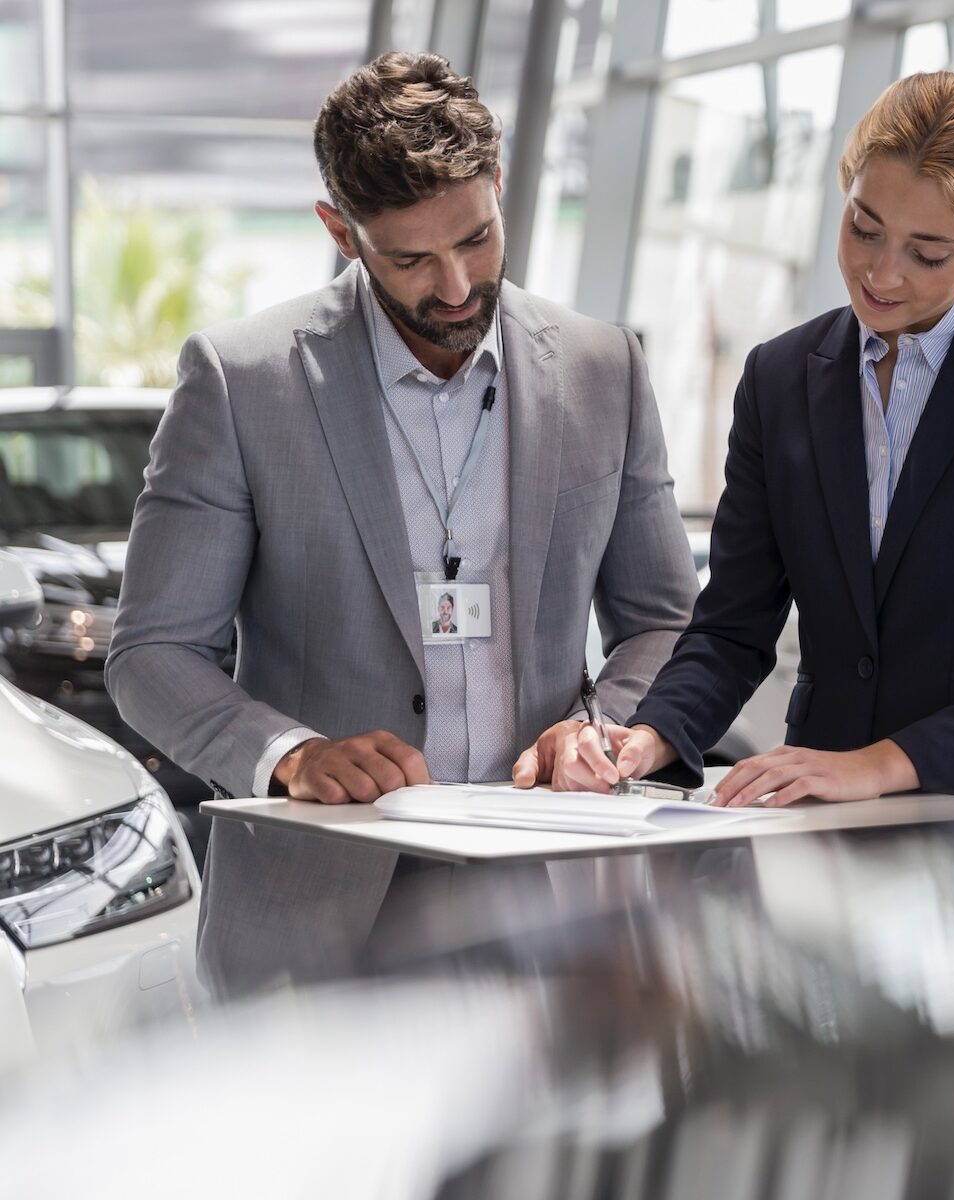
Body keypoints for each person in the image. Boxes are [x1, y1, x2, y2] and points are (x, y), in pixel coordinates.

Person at [106, 52, 697, 995]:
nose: (458, 286)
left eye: (477, 238)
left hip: (552, 899)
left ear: (500, 187)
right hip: (316, 914)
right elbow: (152, 653)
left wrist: (603, 728)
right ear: (340, 231)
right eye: (412, 258)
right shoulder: (240, 380)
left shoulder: (603, 367)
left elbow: (666, 621)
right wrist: (289, 754)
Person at [512, 71, 954, 808]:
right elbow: (732, 628)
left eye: (927, 253)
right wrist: (648, 735)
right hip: (816, 828)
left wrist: (881, 763)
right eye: (863, 228)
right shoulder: (779, 377)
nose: (881, 272)